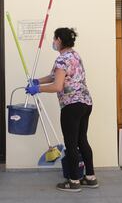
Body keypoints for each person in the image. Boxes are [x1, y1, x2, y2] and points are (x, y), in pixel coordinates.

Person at [25, 27, 98, 192]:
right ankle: (90, 177)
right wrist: (37, 81)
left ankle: (73, 181)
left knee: (71, 143)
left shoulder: (61, 60)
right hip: (85, 103)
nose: (53, 41)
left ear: (59, 40)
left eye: (54, 38)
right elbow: (54, 76)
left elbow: (57, 85)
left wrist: (38, 90)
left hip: (71, 106)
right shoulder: (74, 56)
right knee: (82, 140)